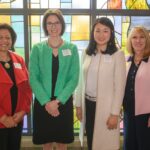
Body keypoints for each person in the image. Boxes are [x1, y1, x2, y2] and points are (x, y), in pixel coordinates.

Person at [29, 9, 79, 150]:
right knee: (47, 142)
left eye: (56, 22)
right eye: (49, 23)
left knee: (62, 142)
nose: (53, 26)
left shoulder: (72, 48)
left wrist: (56, 102)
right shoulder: (37, 49)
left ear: (62, 24)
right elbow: (33, 78)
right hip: (42, 101)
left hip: (63, 101)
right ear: (45, 26)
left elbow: (73, 78)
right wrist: (47, 102)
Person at [75, 17, 126, 150]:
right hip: (88, 104)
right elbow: (80, 81)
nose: (101, 35)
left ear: (111, 33)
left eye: (105, 31)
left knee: (105, 144)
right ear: (93, 33)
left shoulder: (117, 55)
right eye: (97, 31)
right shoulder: (86, 53)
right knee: (91, 141)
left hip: (107, 108)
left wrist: (115, 113)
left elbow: (120, 87)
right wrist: (78, 105)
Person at [0, 23, 32, 150]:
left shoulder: (19, 60)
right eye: (0, 37)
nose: (4, 41)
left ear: (12, 40)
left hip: (17, 119)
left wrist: (23, 111)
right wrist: (2, 117)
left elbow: (28, 88)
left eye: (8, 37)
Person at [123, 26, 150, 150]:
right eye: (134, 37)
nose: (138, 41)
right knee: (129, 145)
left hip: (146, 114)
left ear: (147, 40)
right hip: (128, 112)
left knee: (144, 145)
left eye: (141, 37)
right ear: (130, 40)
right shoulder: (126, 60)